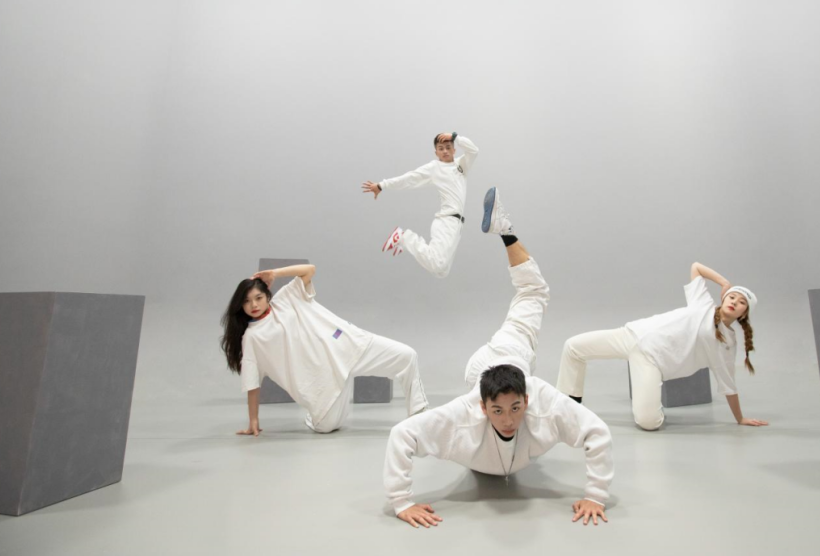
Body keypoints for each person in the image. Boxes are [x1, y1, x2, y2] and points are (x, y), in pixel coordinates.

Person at [383, 188, 613, 528]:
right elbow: (402, 435)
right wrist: (401, 502)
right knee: (534, 292)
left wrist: (595, 496)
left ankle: (504, 228)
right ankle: (504, 228)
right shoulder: (463, 415)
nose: (508, 419)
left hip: (511, 360)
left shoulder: (543, 400)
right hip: (495, 359)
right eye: (498, 411)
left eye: (516, 408)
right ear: (482, 407)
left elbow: (598, 432)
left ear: (527, 400)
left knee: (534, 294)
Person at [220, 262, 429, 435]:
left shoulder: (286, 298)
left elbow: (309, 269)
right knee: (327, 427)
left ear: (267, 295)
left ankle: (419, 418)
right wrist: (253, 421)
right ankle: (314, 417)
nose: (254, 305)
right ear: (240, 306)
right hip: (325, 384)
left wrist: (274, 273)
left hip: (349, 346)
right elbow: (252, 382)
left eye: (258, 298)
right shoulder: (252, 338)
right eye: (247, 301)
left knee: (407, 356)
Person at [556, 262, 766, 430]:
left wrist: (740, 418)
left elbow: (729, 384)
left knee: (649, 423)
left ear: (744, 314)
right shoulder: (703, 303)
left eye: (741, 302)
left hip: (651, 362)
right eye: (732, 297)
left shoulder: (727, 343)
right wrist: (724, 282)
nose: (734, 302)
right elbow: (696, 267)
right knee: (573, 347)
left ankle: (648, 397)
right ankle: (567, 405)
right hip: (631, 335)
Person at [361, 132, 479, 278]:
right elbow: (409, 178)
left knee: (442, 272)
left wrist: (455, 136)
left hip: (458, 225)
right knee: (437, 264)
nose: (445, 151)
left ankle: (404, 243)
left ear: (454, 150)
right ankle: (403, 237)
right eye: (441, 148)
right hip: (446, 220)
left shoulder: (461, 165)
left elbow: (474, 150)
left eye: (448, 147)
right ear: (436, 152)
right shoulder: (434, 168)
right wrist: (382, 185)